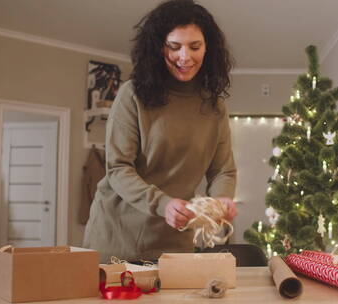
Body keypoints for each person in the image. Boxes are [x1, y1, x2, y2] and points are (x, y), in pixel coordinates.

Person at [83, 0, 237, 263]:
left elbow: (223, 169)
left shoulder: (214, 106)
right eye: (174, 47)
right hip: (117, 237)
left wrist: (221, 199)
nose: (185, 57)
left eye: (195, 46)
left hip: (174, 240)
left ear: (208, 48)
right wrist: (163, 204)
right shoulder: (132, 95)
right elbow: (119, 168)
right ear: (158, 48)